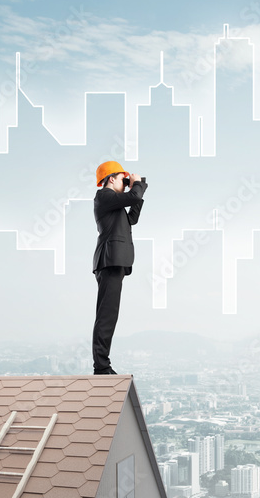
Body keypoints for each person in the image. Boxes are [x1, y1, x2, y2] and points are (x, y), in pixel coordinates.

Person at [91, 160, 148, 375]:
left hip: (115, 262)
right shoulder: (104, 196)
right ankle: (101, 366)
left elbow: (132, 218)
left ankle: (102, 365)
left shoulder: (114, 204)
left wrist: (138, 188)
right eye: (122, 180)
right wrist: (137, 187)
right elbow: (133, 196)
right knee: (106, 315)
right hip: (109, 260)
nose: (125, 184)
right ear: (111, 178)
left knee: (110, 314)